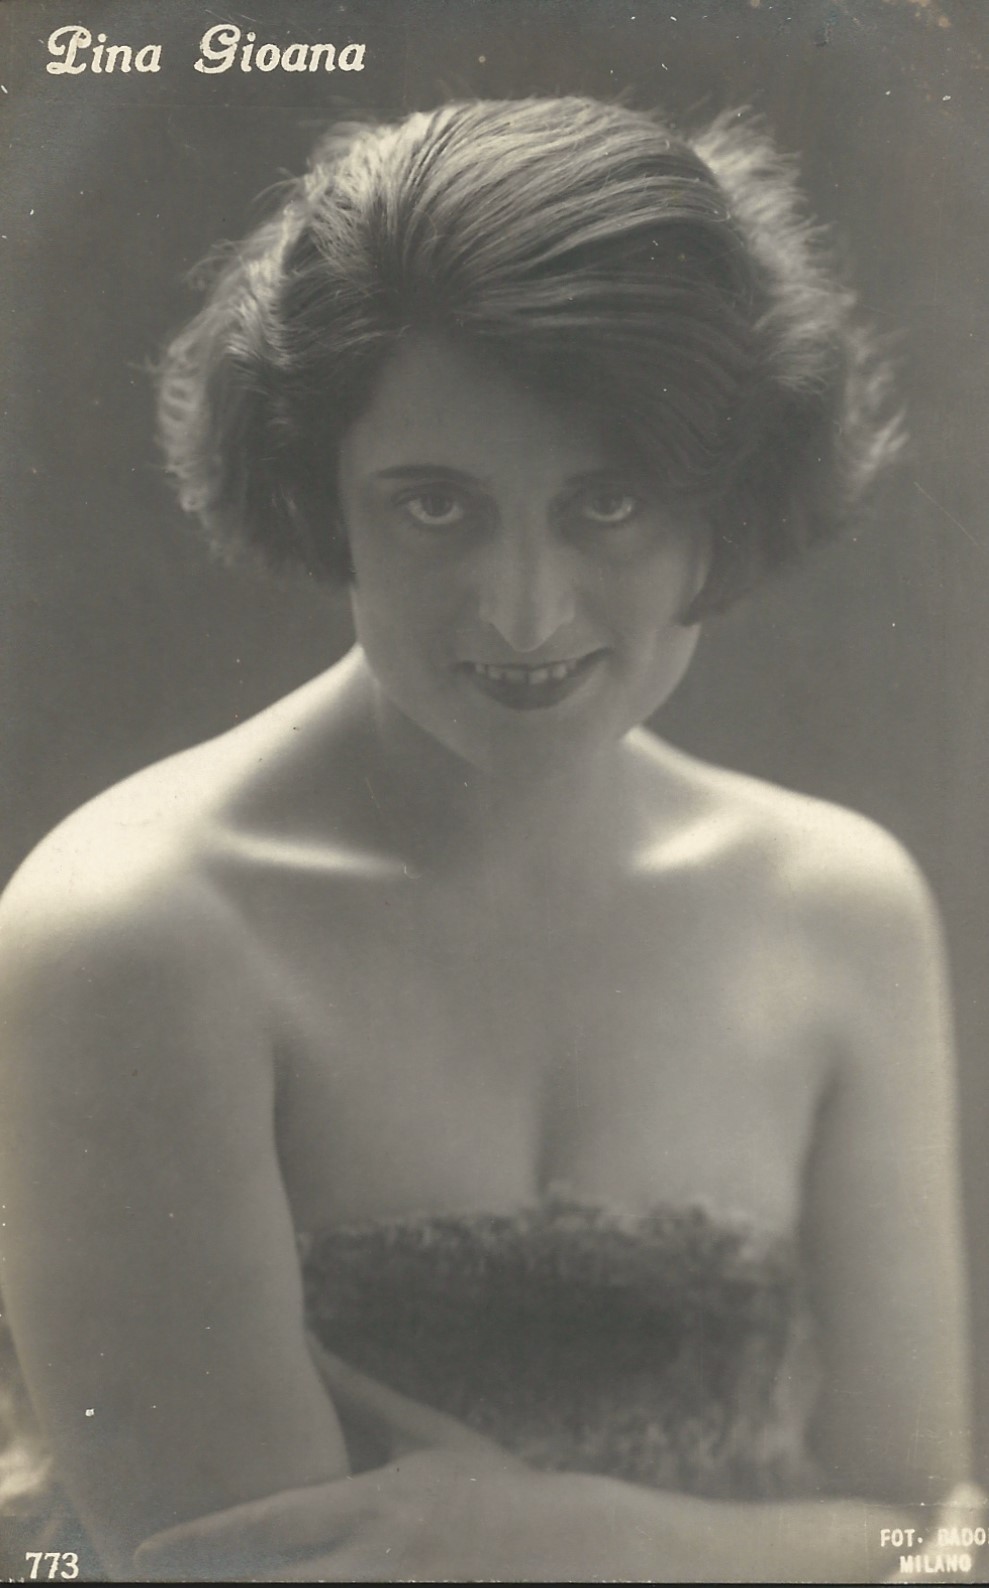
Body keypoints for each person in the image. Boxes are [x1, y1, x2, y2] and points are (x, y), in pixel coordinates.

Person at [0, 95, 979, 1582]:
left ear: (728, 504)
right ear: (324, 495)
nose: (524, 611)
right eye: (435, 507)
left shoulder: (837, 903)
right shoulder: (138, 933)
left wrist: (594, 1540)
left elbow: (932, 1538)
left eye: (608, 501)